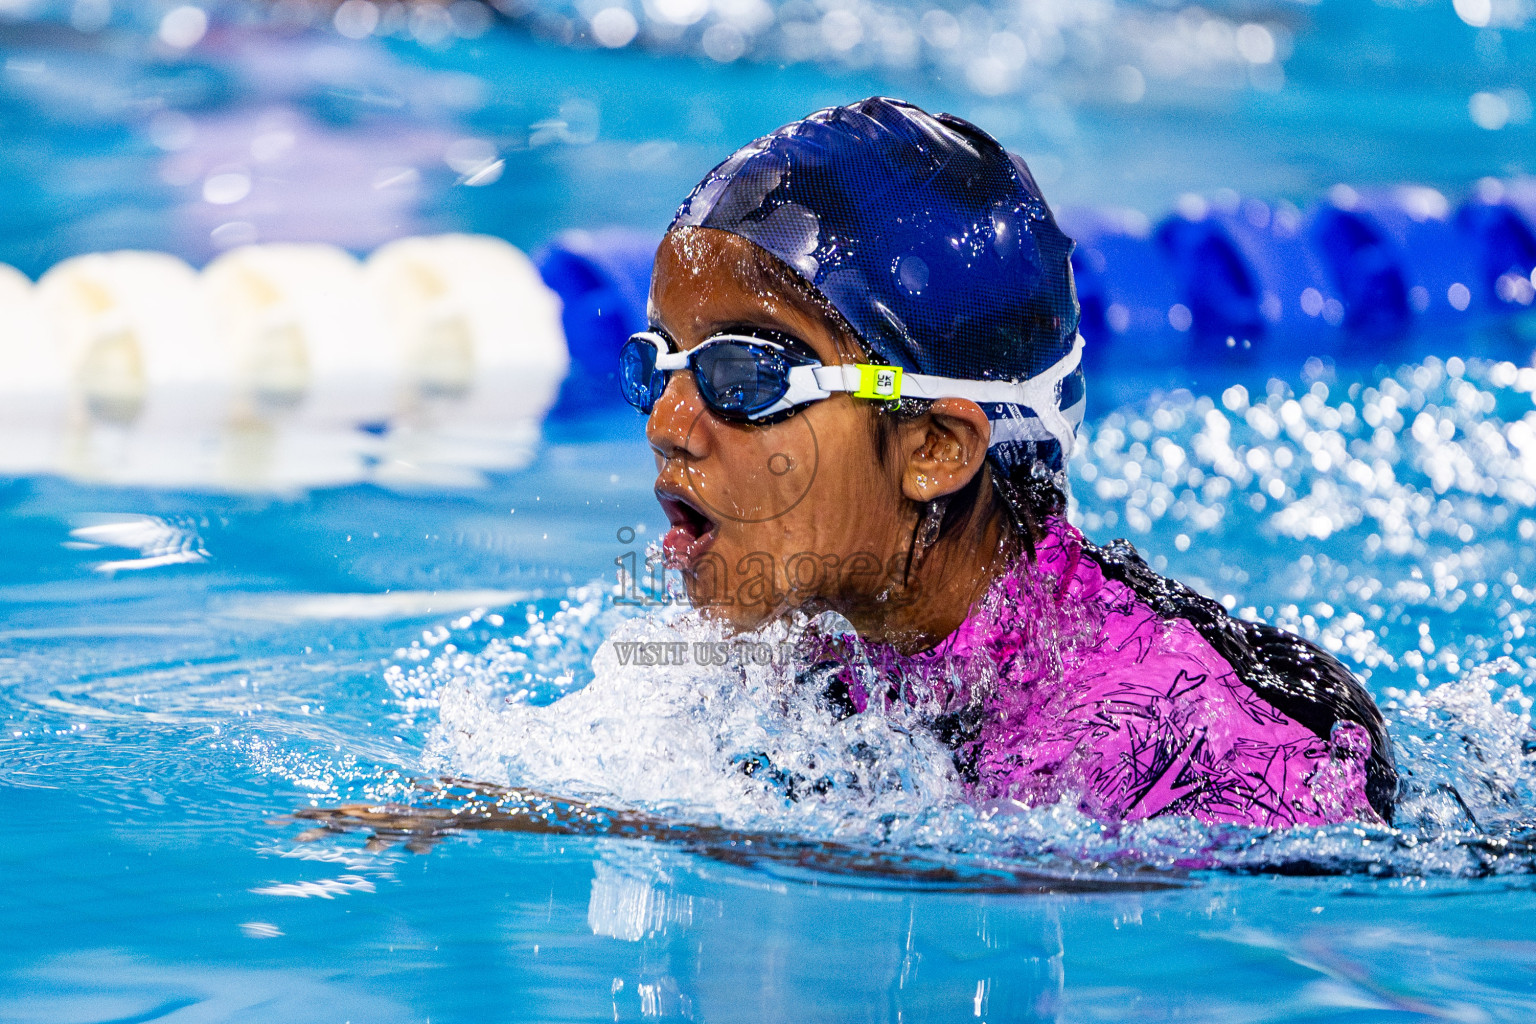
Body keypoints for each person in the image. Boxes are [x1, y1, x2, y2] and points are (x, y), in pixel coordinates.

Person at [620, 96, 1396, 828]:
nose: (667, 422)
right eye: (658, 363)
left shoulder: (1199, 747)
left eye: (746, 375)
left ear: (936, 447)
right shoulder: (805, 655)